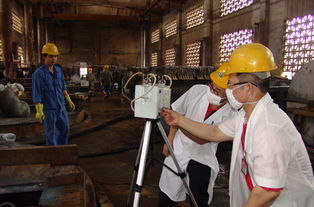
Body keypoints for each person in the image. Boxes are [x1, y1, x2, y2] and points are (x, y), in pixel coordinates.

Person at [162, 43, 314, 207]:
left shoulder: (269, 128)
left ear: (248, 88)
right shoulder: (246, 115)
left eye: (231, 85)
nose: (228, 90)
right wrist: (179, 120)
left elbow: (268, 191)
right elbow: (214, 132)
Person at [159, 63, 236, 207]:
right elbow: (178, 112)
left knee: (198, 198)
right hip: (179, 148)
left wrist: (180, 121)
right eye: (211, 86)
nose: (212, 91)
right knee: (167, 193)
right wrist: (169, 140)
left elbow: (202, 139)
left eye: (218, 91)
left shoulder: (232, 112)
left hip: (202, 156)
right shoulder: (197, 91)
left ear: (229, 94)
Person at [32, 43, 75, 145]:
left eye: (55, 56)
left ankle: (62, 149)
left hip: (61, 107)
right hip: (48, 108)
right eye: (51, 56)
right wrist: (39, 111)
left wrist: (68, 100)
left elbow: (63, 86)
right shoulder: (38, 74)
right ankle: (53, 154)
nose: (53, 59)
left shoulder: (58, 71)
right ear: (44, 56)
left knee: (65, 128)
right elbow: (37, 92)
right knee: (50, 133)